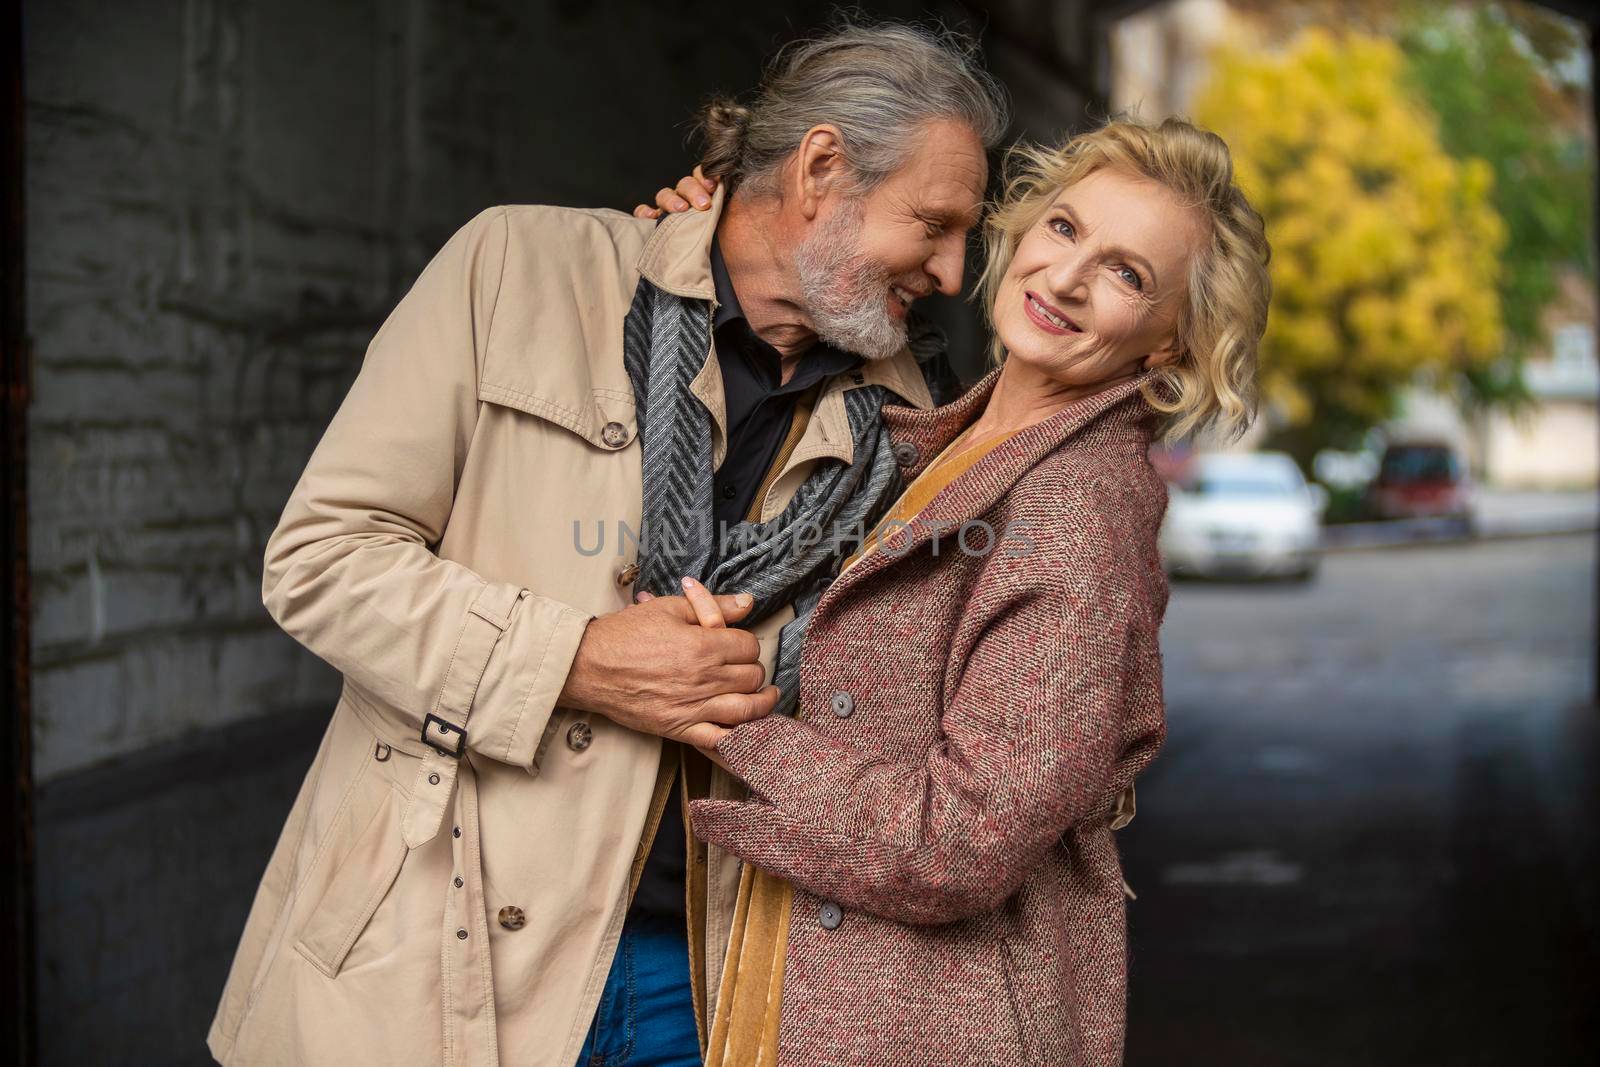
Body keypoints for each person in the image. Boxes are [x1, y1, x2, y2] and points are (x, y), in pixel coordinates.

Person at [205, 21, 1007, 1067]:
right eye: (933, 224)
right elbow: (322, 558)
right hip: (436, 965)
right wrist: (577, 659)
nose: (950, 275)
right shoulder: (521, 267)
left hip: (716, 977)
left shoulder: (911, 415)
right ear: (820, 168)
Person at [642, 115, 1271, 1065]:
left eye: (1126, 274)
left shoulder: (1078, 515)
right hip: (825, 982)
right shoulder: (945, 432)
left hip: (943, 1018)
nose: (1064, 278)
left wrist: (729, 723)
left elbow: (962, 842)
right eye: (1063, 229)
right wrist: (723, 231)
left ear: (1171, 346)